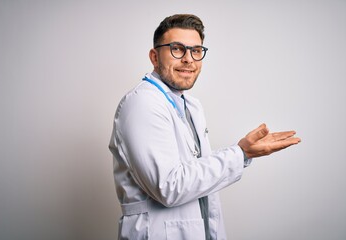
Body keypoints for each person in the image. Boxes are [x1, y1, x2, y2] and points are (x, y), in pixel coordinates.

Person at [109, 14, 301, 240]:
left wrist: (242, 154)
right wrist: (239, 153)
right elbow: (169, 188)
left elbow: (196, 177)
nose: (189, 59)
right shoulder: (142, 104)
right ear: (154, 56)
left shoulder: (191, 105)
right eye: (177, 49)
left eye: (196, 51)